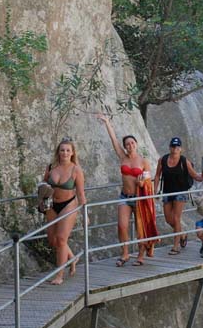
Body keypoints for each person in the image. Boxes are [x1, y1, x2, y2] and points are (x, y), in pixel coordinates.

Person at [97, 114, 158, 266]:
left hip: (139, 198)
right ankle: (125, 253)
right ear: (125, 147)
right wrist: (107, 123)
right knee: (122, 226)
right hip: (125, 196)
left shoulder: (143, 161)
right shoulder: (123, 157)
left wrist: (142, 183)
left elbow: (148, 181)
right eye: (127, 144)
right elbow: (114, 141)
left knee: (140, 228)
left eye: (132, 143)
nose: (130, 145)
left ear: (136, 144)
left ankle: (140, 255)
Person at [41, 138, 86, 285]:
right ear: (58, 152)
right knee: (53, 240)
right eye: (62, 150)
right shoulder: (51, 167)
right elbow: (43, 186)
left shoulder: (76, 170)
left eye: (68, 150)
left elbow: (80, 194)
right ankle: (72, 258)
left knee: (61, 239)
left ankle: (59, 275)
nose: (65, 153)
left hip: (69, 205)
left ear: (72, 153)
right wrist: (42, 201)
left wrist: (85, 213)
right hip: (52, 205)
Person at [154, 137, 201, 255]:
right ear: (170, 147)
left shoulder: (184, 161)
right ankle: (182, 234)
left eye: (177, 147)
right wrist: (155, 190)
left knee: (176, 218)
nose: (175, 149)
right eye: (173, 146)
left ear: (181, 149)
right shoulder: (163, 160)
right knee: (168, 219)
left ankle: (176, 246)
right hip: (167, 192)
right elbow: (157, 176)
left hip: (180, 192)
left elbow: (194, 175)